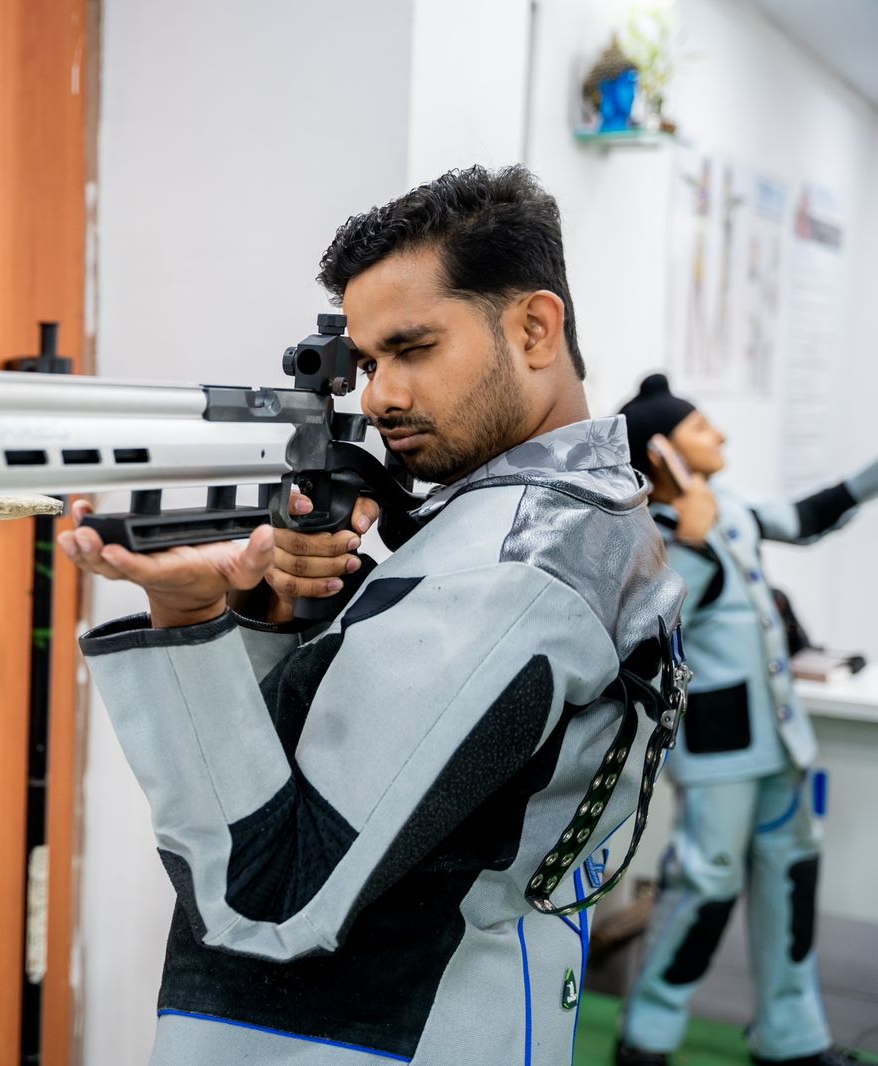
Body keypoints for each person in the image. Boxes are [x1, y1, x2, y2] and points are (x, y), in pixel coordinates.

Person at [57, 165, 687, 1065]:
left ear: (535, 327)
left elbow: (264, 897)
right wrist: (278, 611)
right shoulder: (571, 510)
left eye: (414, 349)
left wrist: (184, 611)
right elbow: (337, 769)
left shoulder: (513, 567)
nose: (379, 396)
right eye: (369, 361)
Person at [615, 374, 878, 1066]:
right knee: (706, 885)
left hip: (780, 741)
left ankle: (792, 1037)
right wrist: (692, 543)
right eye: (702, 428)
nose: (721, 436)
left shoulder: (728, 505)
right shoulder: (645, 534)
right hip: (720, 747)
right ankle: (649, 1034)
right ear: (662, 450)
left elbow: (808, 516)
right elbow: (649, 635)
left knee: (791, 880)